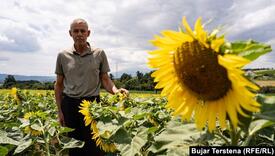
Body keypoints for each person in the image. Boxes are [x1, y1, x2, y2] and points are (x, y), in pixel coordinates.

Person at [54, 18, 128, 156]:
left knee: (95, 145)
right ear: (70, 33)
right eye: (76, 31)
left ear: (88, 33)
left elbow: (105, 79)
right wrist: (59, 111)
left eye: (83, 31)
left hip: (93, 104)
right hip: (70, 105)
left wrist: (116, 91)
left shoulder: (99, 53)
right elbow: (58, 85)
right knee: (74, 146)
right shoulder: (63, 55)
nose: (79, 34)